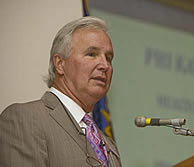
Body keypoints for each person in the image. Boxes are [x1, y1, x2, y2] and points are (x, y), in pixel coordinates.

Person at [0, 16, 122, 167]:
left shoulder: (107, 143)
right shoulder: (25, 119)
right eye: (91, 54)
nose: (105, 65)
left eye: (109, 58)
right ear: (59, 64)